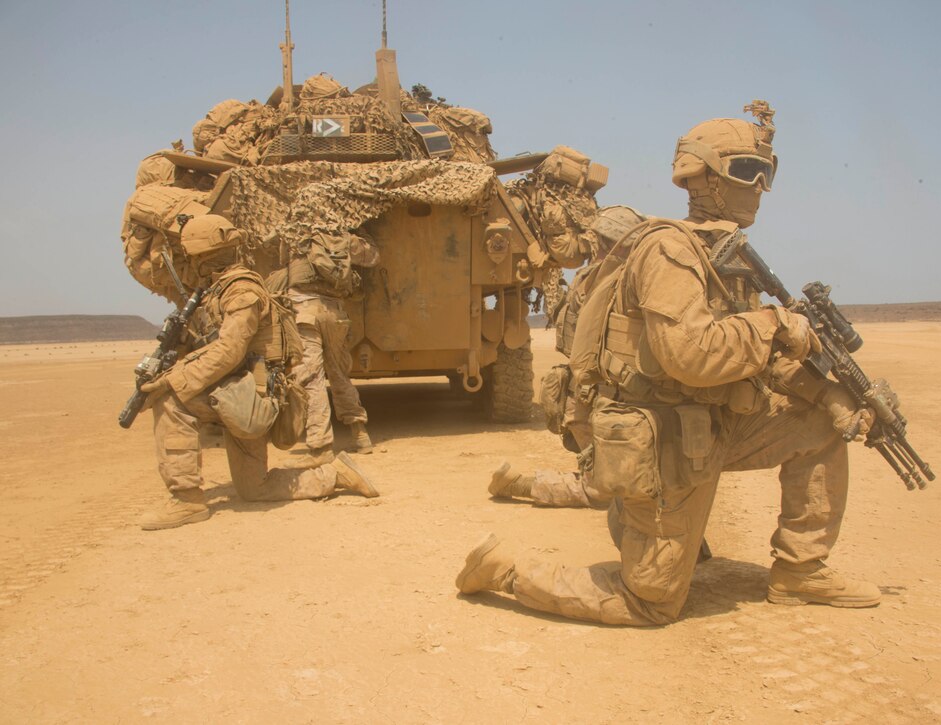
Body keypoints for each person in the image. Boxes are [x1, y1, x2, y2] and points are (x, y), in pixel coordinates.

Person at [456, 101, 880, 625]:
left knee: (817, 427)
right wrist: (773, 326)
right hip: (665, 443)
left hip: (713, 423)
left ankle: (800, 570)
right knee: (651, 601)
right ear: (708, 177)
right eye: (750, 171)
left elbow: (751, 357)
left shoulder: (722, 254)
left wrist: (831, 394)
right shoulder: (671, 253)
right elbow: (691, 355)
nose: (761, 187)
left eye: (767, 173)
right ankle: (502, 571)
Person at [137, 215, 379, 531]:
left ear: (204, 257)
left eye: (191, 257)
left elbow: (230, 351)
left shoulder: (240, 291)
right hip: (243, 391)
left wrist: (176, 378)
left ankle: (186, 500)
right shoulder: (217, 290)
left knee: (170, 397)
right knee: (255, 489)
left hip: (251, 397)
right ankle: (334, 474)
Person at [488, 205, 646, 509]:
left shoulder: (589, 278)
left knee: (627, 478)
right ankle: (522, 485)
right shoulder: (613, 284)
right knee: (605, 491)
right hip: (596, 405)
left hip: (587, 401)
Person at [283, 231, 380, 467]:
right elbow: (374, 258)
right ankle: (360, 435)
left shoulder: (294, 237)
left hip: (304, 311)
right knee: (339, 374)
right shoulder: (344, 239)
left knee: (311, 378)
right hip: (335, 312)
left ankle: (320, 447)